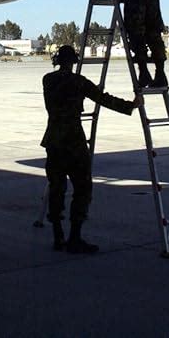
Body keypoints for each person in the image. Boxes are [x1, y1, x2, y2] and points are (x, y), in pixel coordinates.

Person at [42, 45, 143, 253]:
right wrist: (130, 106)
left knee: (56, 188)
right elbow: (103, 99)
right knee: (82, 189)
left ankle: (58, 235)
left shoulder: (47, 80)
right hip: (73, 141)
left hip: (53, 140)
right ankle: (75, 237)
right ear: (73, 62)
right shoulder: (79, 82)